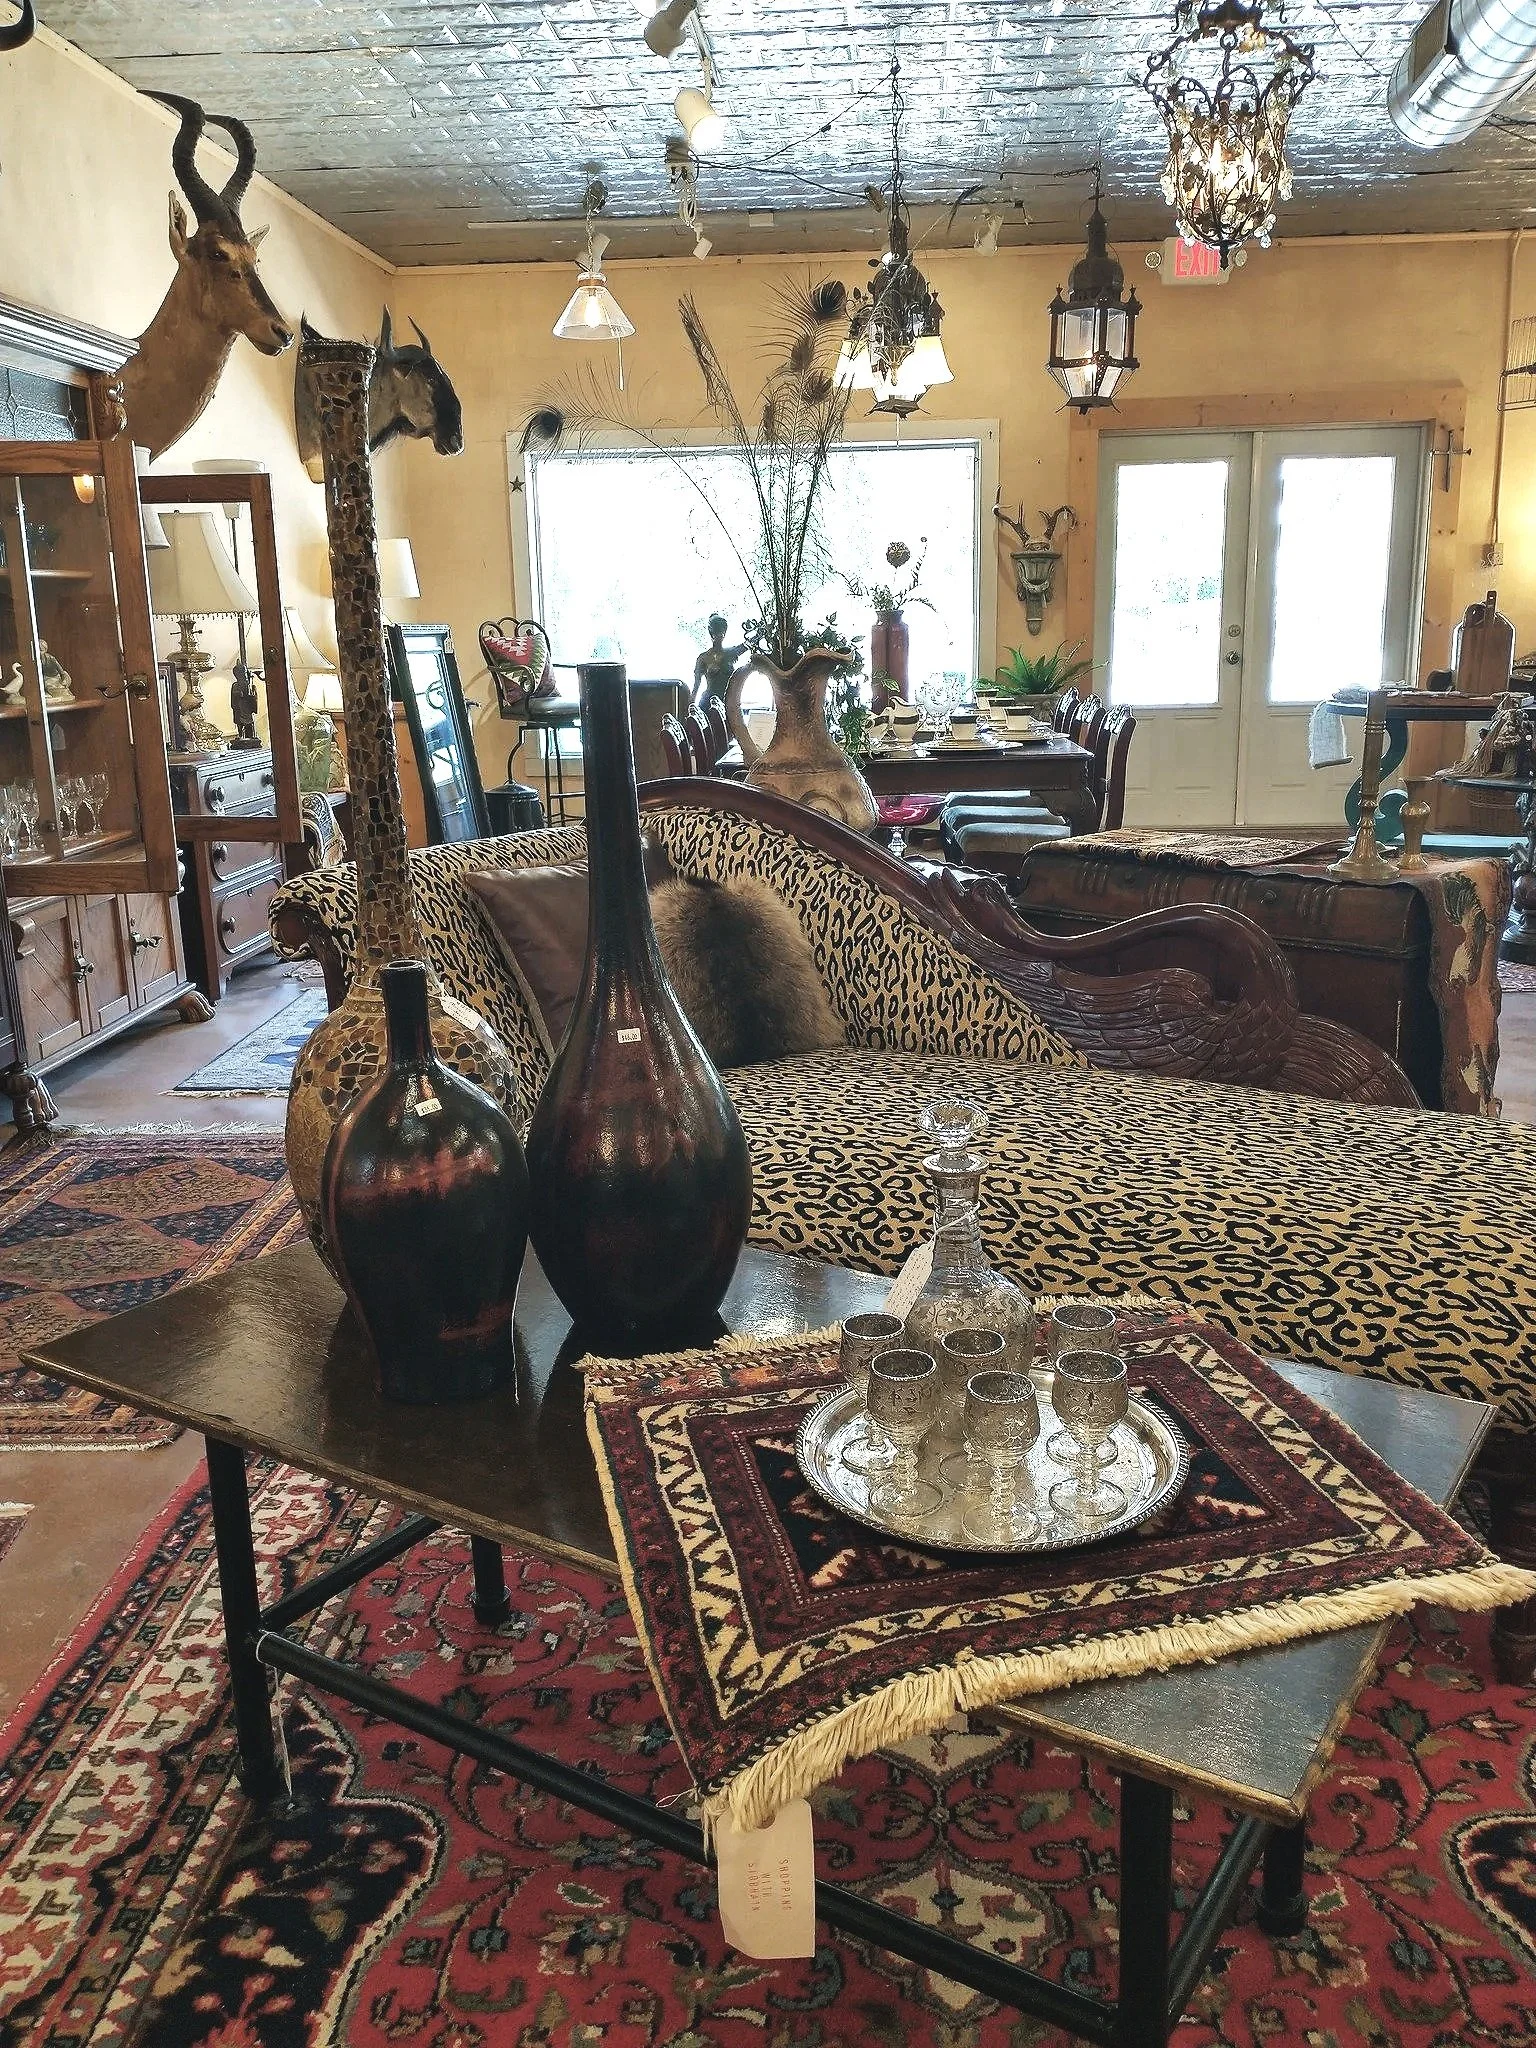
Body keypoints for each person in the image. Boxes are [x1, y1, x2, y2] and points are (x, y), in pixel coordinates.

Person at [693, 614, 745, 706]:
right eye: (717, 631)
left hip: (728, 703)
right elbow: (696, 686)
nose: (720, 635)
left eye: (722, 631)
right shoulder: (703, 658)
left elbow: (749, 643)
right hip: (709, 704)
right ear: (711, 633)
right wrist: (690, 707)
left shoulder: (731, 653)